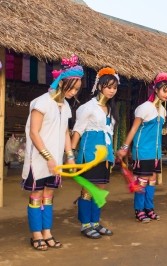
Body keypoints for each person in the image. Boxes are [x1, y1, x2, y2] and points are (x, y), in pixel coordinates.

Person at [21, 55, 83, 250]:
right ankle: (36, 234)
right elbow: (33, 132)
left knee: (49, 195)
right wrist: (48, 157)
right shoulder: (41, 103)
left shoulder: (65, 107)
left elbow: (65, 131)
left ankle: (47, 231)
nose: (74, 92)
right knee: (36, 195)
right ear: (61, 82)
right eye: (71, 88)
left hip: (56, 161)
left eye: (77, 89)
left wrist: (70, 156)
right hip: (38, 161)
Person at [117, 72, 167, 222]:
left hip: (155, 153)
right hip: (142, 150)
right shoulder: (144, 108)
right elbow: (134, 129)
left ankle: (149, 208)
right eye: (164, 91)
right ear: (156, 89)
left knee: (152, 178)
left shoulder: (163, 111)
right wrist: (124, 147)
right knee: (142, 179)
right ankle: (139, 210)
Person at [71, 67, 119, 239]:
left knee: (100, 188)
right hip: (90, 154)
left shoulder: (111, 109)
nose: (112, 90)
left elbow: (110, 133)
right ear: (99, 86)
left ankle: (95, 222)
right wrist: (70, 155)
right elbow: (77, 130)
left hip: (106, 155)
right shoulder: (87, 107)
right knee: (88, 190)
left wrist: (111, 156)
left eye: (114, 87)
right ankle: (85, 224)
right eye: (108, 86)